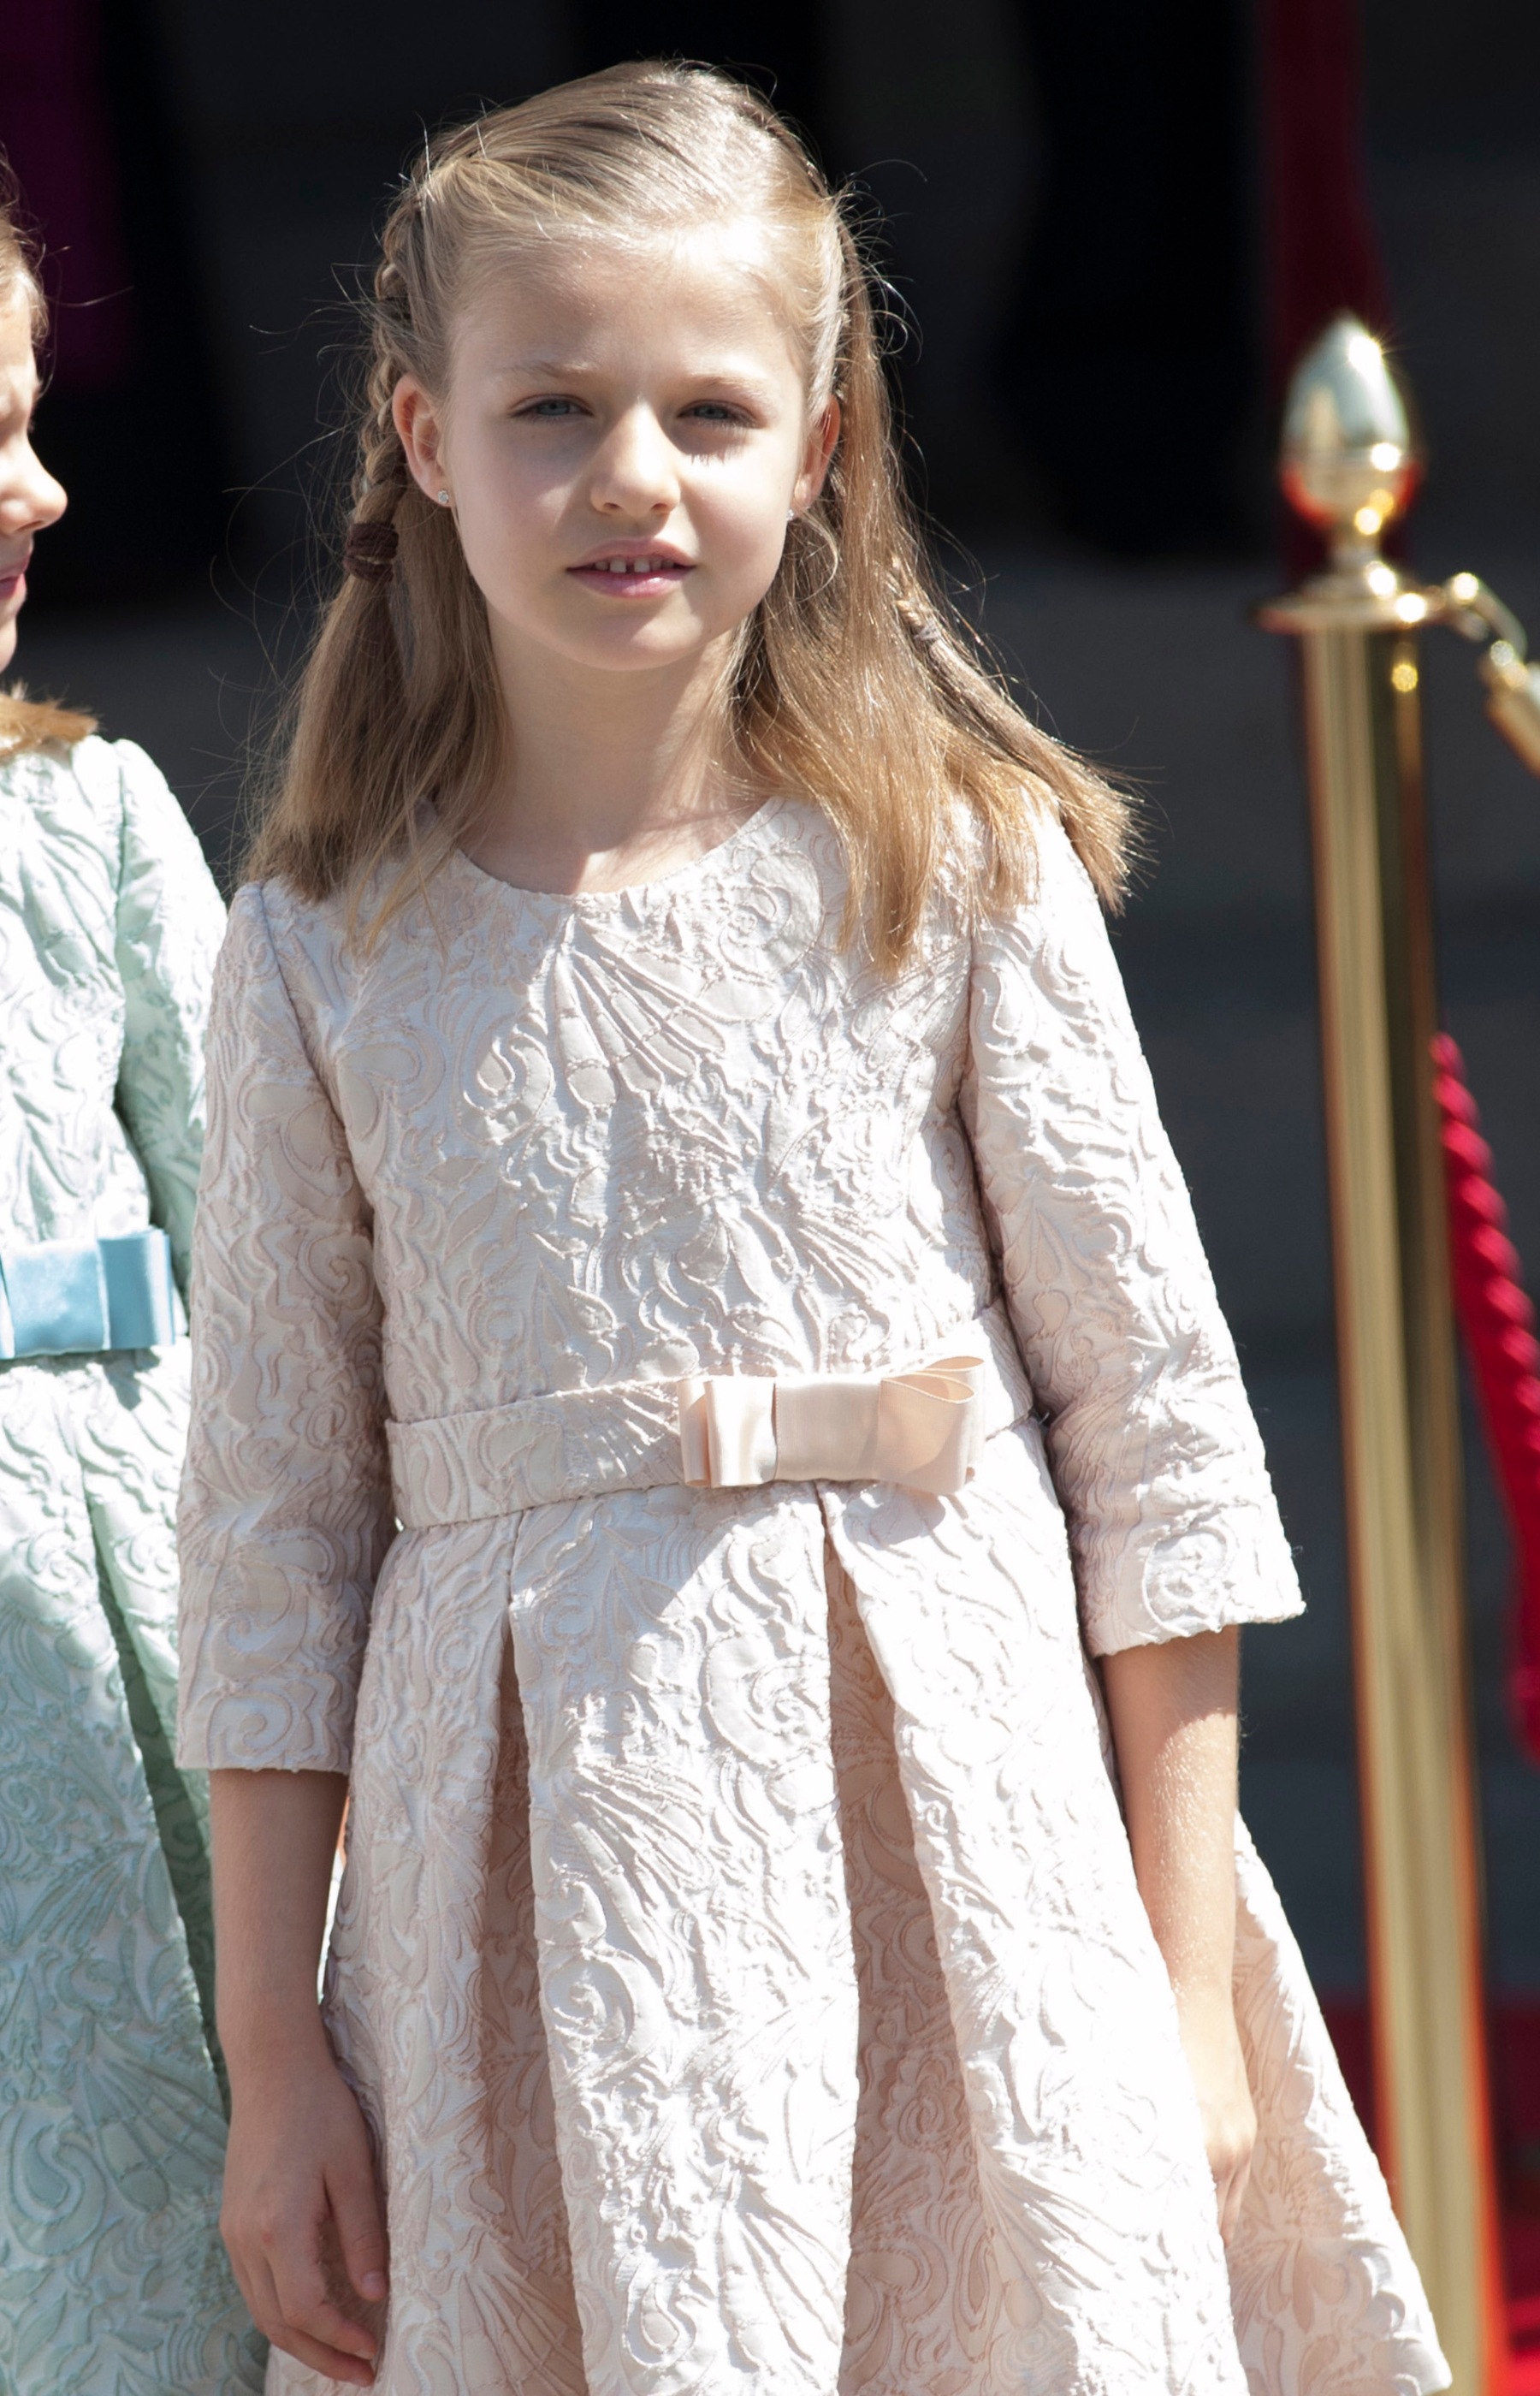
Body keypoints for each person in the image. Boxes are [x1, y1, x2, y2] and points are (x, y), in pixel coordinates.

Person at [177, 65, 1448, 2396]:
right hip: (540, 1928)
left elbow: (1157, 1435)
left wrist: (1177, 1987)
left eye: (706, 407)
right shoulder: (320, 954)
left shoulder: (950, 870)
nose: (630, 474)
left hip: (961, 1872)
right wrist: (283, 2062)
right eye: (551, 405)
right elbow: (272, 1543)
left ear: (824, 445)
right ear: (426, 440)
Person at [0, 170, 264, 2394]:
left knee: (143, 2249)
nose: (48, 484)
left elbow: (277, 1258)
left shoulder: (83, 827)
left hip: (121, 1664)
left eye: (36, 411)